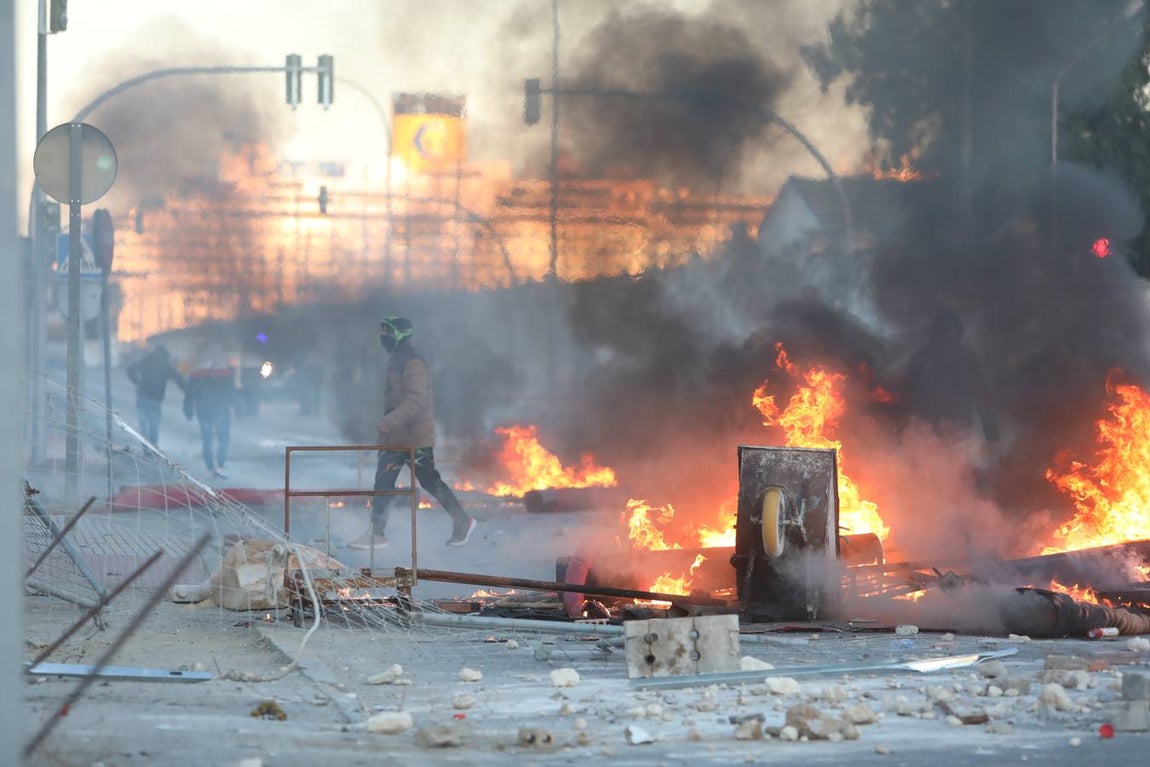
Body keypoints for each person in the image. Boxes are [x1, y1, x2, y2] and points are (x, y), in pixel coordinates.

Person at [349, 316, 476, 550]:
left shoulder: (413, 362)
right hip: (397, 437)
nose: (383, 337)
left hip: (414, 438)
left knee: (429, 481)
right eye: (382, 332)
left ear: (401, 335)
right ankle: (376, 534)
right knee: (383, 483)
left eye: (388, 333)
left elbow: (416, 401)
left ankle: (462, 520)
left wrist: (388, 422)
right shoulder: (397, 359)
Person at [901, 308, 1000, 443]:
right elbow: (908, 400)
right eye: (945, 333)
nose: (948, 339)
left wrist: (992, 438)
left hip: (957, 433)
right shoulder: (920, 359)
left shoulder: (967, 359)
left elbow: (983, 400)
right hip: (929, 434)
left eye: (951, 333)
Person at [183, 350, 241, 479]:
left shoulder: (196, 373)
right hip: (221, 410)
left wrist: (187, 409)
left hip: (203, 411)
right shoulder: (224, 372)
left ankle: (209, 466)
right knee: (223, 438)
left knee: (207, 440)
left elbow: (189, 393)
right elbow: (231, 392)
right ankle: (220, 464)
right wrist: (238, 408)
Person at [125, 344, 185, 447]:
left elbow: (130, 369)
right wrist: (187, 391)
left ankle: (146, 448)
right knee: (154, 426)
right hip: (156, 399)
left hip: (143, 396)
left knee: (143, 425)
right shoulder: (166, 365)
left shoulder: (146, 361)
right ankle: (153, 448)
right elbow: (178, 379)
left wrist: (136, 381)